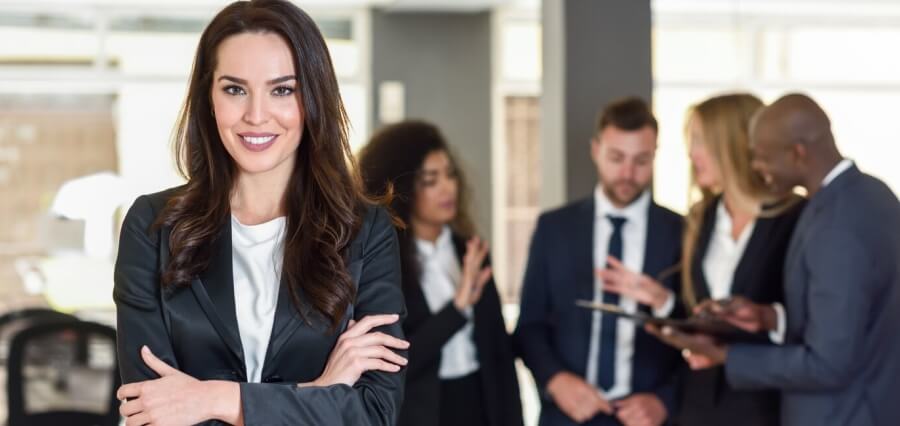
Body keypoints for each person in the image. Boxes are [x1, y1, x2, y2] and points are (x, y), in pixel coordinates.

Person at [112, 1, 407, 425]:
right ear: (208, 98)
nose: (255, 115)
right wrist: (317, 392)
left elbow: (374, 412)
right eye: (234, 89)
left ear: (312, 99)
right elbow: (152, 411)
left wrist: (215, 399)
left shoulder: (364, 231)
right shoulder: (153, 226)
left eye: (282, 90)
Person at [651, 93, 900, 426]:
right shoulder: (869, 194)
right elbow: (846, 318)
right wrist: (768, 317)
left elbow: (829, 364)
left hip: (839, 414)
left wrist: (725, 355)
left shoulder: (835, 222)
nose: (755, 166)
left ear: (798, 153)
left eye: (762, 158)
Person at [598, 93, 805, 425]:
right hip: (698, 408)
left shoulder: (794, 218)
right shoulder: (701, 218)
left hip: (765, 407)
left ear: (732, 145)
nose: (691, 154)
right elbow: (701, 315)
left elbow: (807, 324)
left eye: (699, 142)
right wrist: (663, 301)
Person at [514, 97, 683, 426]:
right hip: (567, 415)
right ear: (595, 150)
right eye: (616, 158)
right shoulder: (554, 228)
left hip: (647, 418)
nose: (627, 173)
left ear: (656, 156)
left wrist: (665, 401)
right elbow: (529, 325)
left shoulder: (683, 232)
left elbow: (699, 333)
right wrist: (555, 380)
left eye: (641, 161)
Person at [358, 120, 524, 426]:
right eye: (430, 180)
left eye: (449, 174)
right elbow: (395, 362)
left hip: (481, 404)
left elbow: (499, 354)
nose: (447, 187)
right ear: (403, 187)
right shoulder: (384, 263)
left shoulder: (470, 252)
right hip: (422, 413)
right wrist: (458, 308)